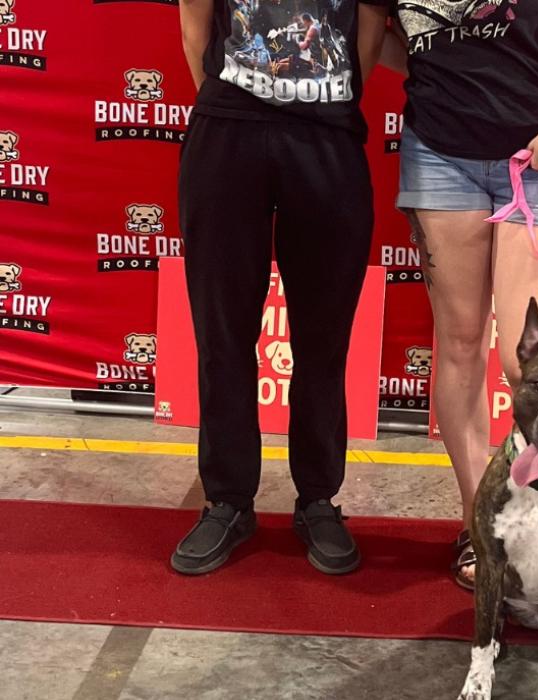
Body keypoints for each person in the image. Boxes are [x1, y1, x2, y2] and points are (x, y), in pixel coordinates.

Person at [382, 0, 538, 589]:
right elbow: (384, 41)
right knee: (460, 344)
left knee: (531, 364)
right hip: (438, 151)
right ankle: (481, 523)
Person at [172, 0, 388, 576]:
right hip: (226, 135)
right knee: (222, 331)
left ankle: (318, 498)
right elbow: (195, 19)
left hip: (327, 141)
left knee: (323, 337)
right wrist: (230, 103)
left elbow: (368, 27)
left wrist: (325, 102)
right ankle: (228, 500)